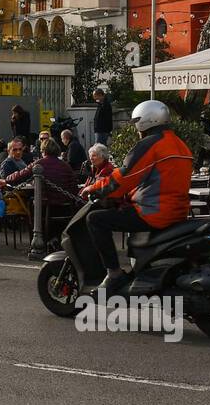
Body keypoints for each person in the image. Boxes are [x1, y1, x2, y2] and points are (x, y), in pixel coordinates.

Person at [81, 100, 193, 296]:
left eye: (136, 123)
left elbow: (123, 178)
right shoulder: (181, 145)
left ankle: (114, 274)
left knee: (95, 219)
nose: (136, 129)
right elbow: (154, 181)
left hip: (154, 212)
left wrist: (95, 188)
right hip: (178, 212)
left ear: (145, 122)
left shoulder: (150, 144)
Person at [0, 139, 80, 236]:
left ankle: (37, 237)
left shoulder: (39, 163)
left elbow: (20, 175)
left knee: (31, 203)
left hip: (46, 205)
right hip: (66, 206)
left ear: (43, 151)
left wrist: (6, 180)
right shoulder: (66, 166)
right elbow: (74, 186)